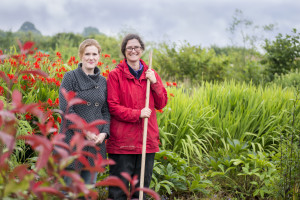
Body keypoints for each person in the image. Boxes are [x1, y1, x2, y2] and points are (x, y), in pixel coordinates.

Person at [106, 33, 168, 199]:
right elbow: (113, 106)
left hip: (146, 140)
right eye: (129, 48)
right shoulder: (115, 75)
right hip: (122, 142)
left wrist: (154, 83)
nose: (133, 50)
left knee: (140, 192)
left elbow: (161, 103)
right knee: (118, 191)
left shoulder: (151, 74)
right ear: (124, 51)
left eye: (136, 47)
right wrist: (138, 114)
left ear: (142, 49)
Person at [59, 39, 110, 186]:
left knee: (88, 190)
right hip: (73, 140)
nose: (91, 57)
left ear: (99, 56)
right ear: (81, 56)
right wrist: (85, 131)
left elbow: (106, 111)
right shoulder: (70, 77)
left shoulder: (103, 82)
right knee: (69, 191)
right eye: (87, 54)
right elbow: (66, 109)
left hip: (95, 142)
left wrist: (104, 133)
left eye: (94, 54)